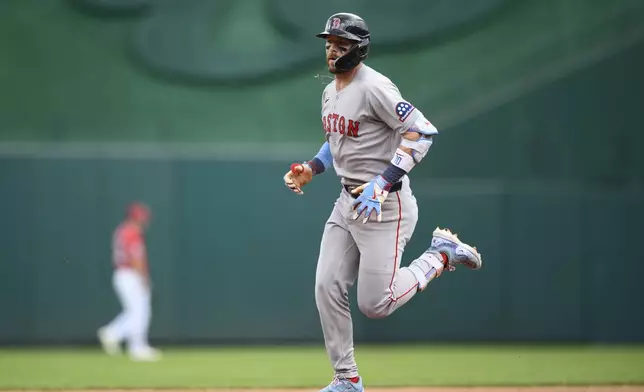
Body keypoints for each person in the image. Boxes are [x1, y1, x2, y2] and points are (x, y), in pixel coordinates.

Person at [283, 12, 483, 392]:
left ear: (359, 49)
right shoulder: (330, 91)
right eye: (328, 44)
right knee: (326, 286)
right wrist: (312, 167)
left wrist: (385, 180)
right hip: (348, 203)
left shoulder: (375, 87)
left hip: (386, 207)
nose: (331, 51)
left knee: (376, 305)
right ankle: (347, 379)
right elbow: (340, 141)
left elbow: (422, 133)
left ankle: (440, 255)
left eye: (340, 45)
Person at [97, 202, 161, 362]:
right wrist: (143, 277)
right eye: (142, 217)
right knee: (140, 312)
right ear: (135, 217)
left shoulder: (121, 231)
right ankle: (135, 346)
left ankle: (113, 333)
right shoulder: (132, 233)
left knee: (135, 311)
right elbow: (135, 258)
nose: (145, 221)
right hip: (130, 274)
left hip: (123, 274)